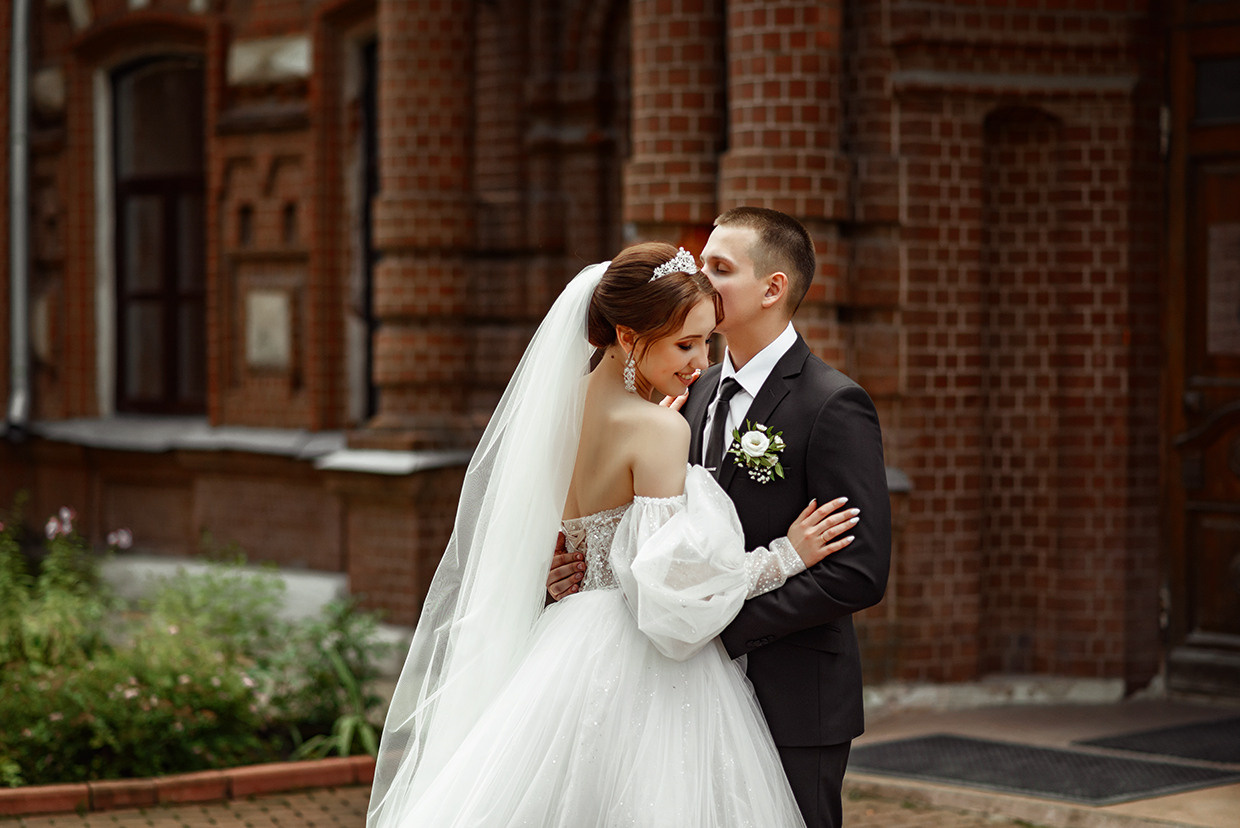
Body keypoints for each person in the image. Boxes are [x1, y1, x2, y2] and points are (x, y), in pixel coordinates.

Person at [367, 242, 860, 828]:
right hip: (638, 654)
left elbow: (552, 532)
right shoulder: (658, 430)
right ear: (628, 338)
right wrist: (785, 556)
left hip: (563, 637)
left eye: (708, 341)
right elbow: (672, 594)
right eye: (685, 343)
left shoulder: (554, 411)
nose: (700, 362)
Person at [548, 208, 892, 828]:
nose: (702, 278)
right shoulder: (686, 394)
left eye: (719, 267)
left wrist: (718, 632)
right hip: (668, 685)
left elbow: (858, 572)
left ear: (773, 288)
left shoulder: (833, 404)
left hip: (792, 697)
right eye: (700, 263)